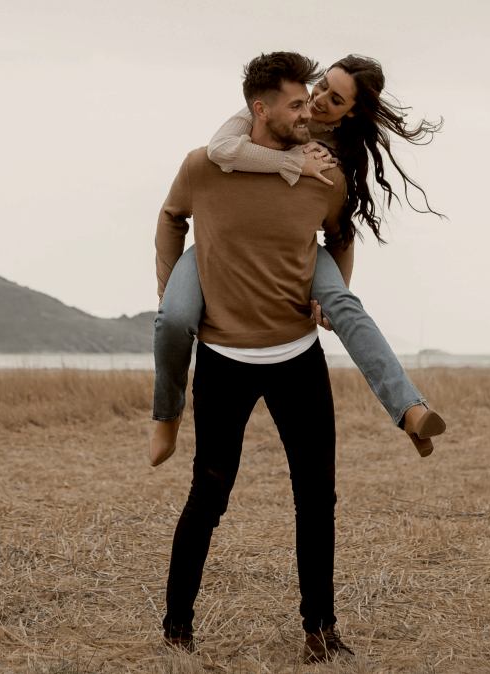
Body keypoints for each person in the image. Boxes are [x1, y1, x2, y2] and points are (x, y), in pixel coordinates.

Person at [151, 54, 446, 467]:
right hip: (226, 242)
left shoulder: (337, 155)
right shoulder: (276, 110)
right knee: (173, 316)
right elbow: (222, 149)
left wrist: (330, 294)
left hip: (297, 247)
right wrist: (292, 160)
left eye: (335, 98)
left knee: (346, 306)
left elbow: (340, 232)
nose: (319, 100)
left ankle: (410, 410)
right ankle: (166, 413)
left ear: (351, 113)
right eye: (321, 86)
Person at [154, 51, 354, 663]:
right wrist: (171, 294)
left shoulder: (323, 175)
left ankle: (319, 632)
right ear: (259, 109)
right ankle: (177, 630)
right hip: (224, 359)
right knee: (209, 494)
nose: (309, 112)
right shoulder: (204, 167)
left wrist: (331, 294)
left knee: (317, 498)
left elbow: (341, 234)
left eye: (311, 100)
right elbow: (170, 217)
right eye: (296, 104)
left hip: (298, 356)